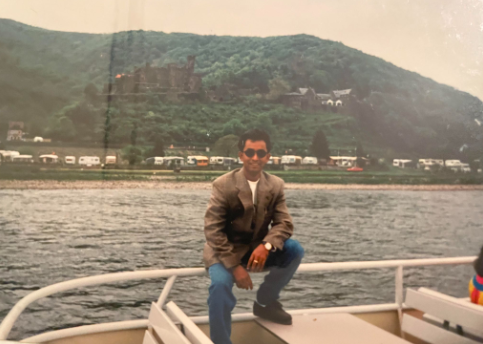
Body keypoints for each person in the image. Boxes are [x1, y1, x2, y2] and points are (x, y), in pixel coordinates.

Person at [203, 128, 304, 344]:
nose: (255, 158)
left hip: (256, 249)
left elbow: (284, 223)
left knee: (294, 250)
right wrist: (235, 267)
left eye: (260, 153)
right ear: (241, 155)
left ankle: (265, 302)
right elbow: (213, 230)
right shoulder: (223, 184)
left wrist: (266, 246)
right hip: (223, 252)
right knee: (220, 287)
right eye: (250, 152)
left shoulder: (275, 185)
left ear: (268, 157)